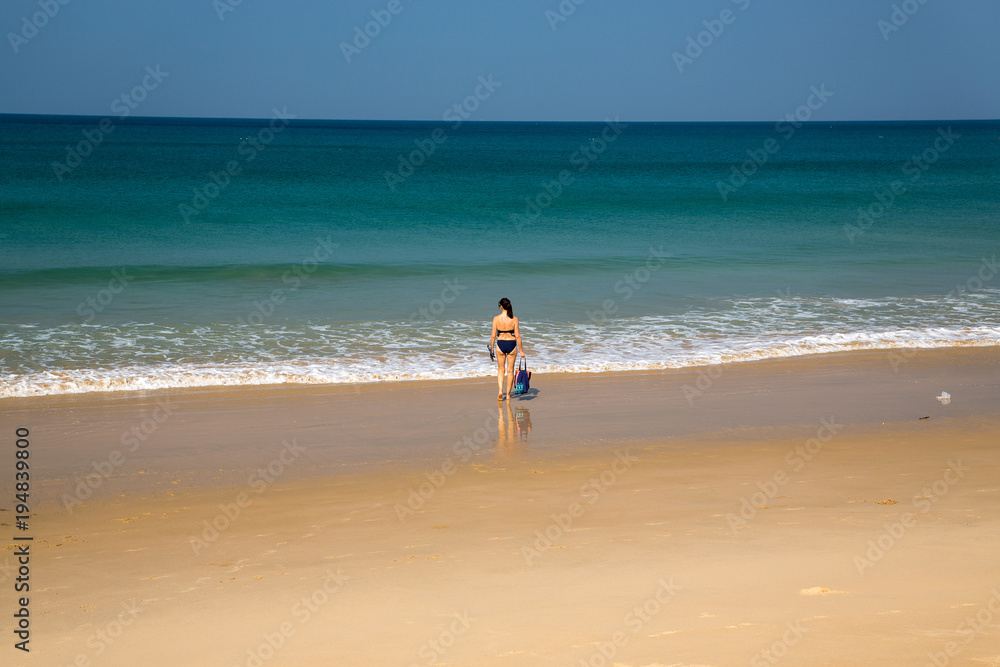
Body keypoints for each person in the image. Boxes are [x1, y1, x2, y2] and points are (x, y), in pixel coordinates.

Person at [490, 297, 526, 400]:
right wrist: (521, 351)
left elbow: (493, 336)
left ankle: (501, 391)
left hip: (500, 344)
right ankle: (509, 395)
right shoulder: (514, 319)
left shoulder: (496, 319)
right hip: (511, 344)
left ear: (501, 307)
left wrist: (492, 349)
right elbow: (518, 336)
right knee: (510, 371)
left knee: (501, 370)